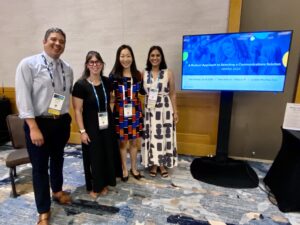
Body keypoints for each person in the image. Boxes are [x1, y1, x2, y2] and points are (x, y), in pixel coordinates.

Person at [15, 28, 73, 225]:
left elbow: (64, 97)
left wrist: (65, 122)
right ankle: (43, 211)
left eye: (61, 41)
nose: (57, 44)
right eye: (53, 40)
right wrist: (33, 127)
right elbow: (23, 99)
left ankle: (57, 190)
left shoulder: (67, 68)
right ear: (44, 41)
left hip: (60, 122)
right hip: (38, 123)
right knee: (39, 168)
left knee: (58, 160)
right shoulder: (29, 65)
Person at [72, 51, 122, 198]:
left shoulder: (107, 81)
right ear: (87, 65)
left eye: (97, 62)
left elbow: (110, 100)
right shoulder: (80, 85)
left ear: (102, 64)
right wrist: (82, 131)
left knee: (107, 154)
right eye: (91, 62)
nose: (95, 65)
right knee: (95, 157)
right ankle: (95, 186)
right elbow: (77, 110)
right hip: (91, 127)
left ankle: (104, 183)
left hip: (107, 125)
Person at [141, 46, 178, 178]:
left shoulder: (168, 72)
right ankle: (154, 164)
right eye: (152, 55)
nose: (155, 58)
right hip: (150, 110)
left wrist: (175, 112)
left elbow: (173, 93)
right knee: (152, 136)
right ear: (149, 57)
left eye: (157, 55)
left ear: (161, 57)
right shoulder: (143, 73)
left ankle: (162, 164)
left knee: (163, 136)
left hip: (165, 109)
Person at [109, 45, 143, 181]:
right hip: (120, 113)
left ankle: (134, 168)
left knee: (134, 142)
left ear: (132, 57)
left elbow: (142, 92)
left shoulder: (138, 75)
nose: (125, 59)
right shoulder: (114, 76)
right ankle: (124, 168)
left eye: (128, 56)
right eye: (122, 56)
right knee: (123, 143)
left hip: (135, 112)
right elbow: (109, 96)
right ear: (118, 58)